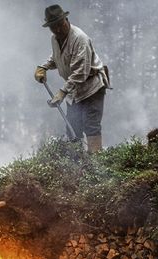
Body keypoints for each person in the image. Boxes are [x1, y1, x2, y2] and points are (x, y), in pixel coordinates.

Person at [34, 4, 110, 152]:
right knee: (72, 126)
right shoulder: (55, 38)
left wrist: (62, 92)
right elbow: (57, 57)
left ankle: (96, 162)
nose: (57, 30)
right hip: (75, 90)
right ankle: (77, 166)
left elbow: (80, 73)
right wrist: (43, 67)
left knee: (91, 126)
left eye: (59, 25)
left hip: (91, 87)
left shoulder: (79, 38)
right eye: (53, 26)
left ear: (66, 19)